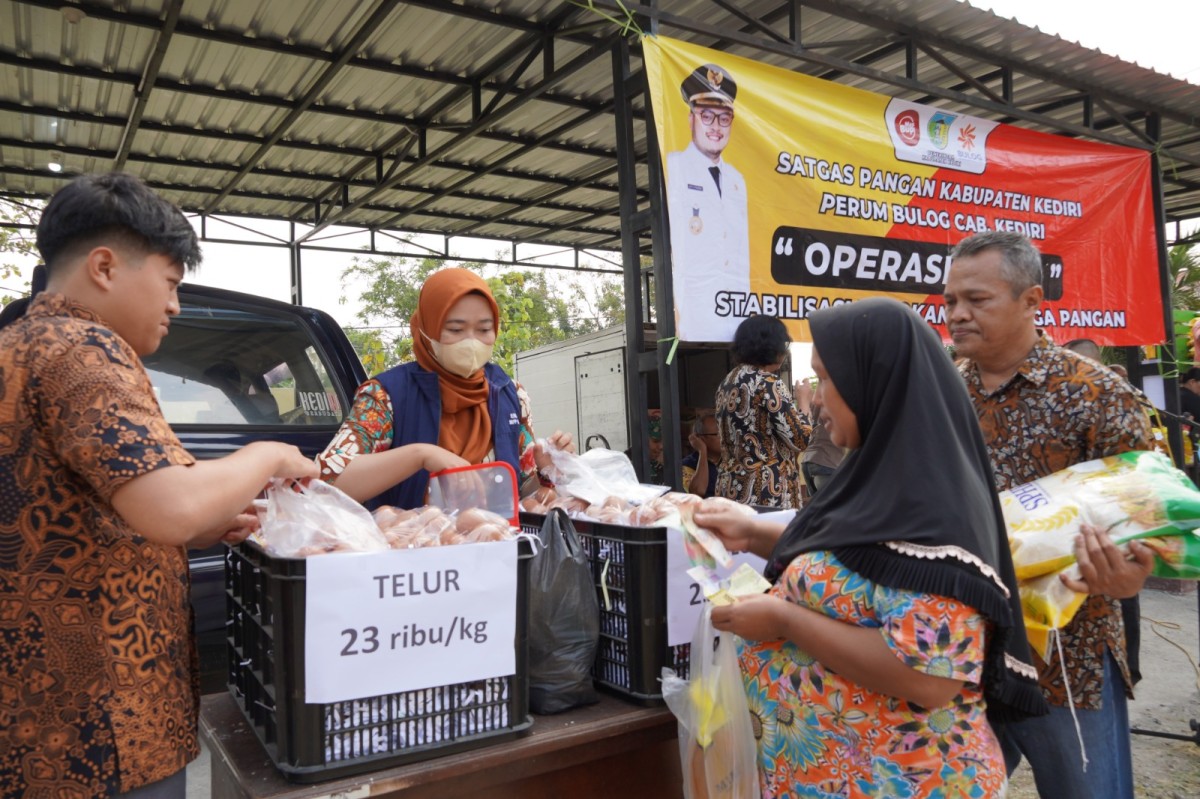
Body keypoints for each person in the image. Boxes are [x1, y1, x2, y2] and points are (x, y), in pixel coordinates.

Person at [0, 173, 318, 798]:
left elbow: (102, 501)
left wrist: (204, 519)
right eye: (170, 284)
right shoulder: (84, 351)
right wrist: (268, 452)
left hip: (33, 722)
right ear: (104, 267)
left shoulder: (18, 346)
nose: (175, 305)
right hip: (101, 728)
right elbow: (171, 507)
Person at [694, 297, 1047, 797]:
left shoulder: (934, 505)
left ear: (874, 380)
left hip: (906, 779)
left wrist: (784, 620)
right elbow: (862, 554)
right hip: (836, 770)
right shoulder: (875, 476)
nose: (815, 400)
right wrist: (753, 531)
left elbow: (930, 677)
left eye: (826, 381)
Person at [945, 230, 1154, 799]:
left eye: (977, 300)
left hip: (1067, 657)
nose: (957, 315)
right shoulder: (941, 392)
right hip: (963, 648)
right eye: (949, 302)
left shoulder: (1097, 395)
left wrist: (1131, 572)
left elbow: (1148, 516)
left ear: (1032, 300)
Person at [316, 267, 572, 508]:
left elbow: (524, 493)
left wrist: (549, 469)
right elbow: (326, 482)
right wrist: (420, 455)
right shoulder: (386, 396)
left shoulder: (510, 394)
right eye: (455, 329)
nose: (471, 341)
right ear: (427, 329)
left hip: (496, 547)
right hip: (410, 548)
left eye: (484, 329)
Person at [665, 62, 750, 342]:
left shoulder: (738, 180)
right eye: (707, 116)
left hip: (735, 319)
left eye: (723, 118)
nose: (715, 127)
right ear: (691, 119)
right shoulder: (674, 167)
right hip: (694, 319)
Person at [714, 314, 811, 508]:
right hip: (766, 493)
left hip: (730, 487)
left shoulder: (726, 383)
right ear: (772, 347)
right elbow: (800, 438)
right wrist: (804, 401)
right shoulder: (768, 383)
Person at [798, 380, 845, 497]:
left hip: (809, 461)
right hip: (828, 462)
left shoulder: (820, 399)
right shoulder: (843, 398)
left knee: (818, 510)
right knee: (835, 510)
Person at [682, 410, 722, 497]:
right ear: (700, 438)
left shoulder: (730, 460)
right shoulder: (688, 465)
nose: (724, 438)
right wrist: (702, 451)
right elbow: (697, 492)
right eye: (718, 434)